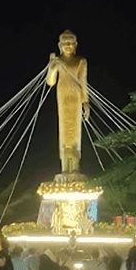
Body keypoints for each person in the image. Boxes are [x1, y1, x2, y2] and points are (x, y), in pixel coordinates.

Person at [45, 30, 90, 173]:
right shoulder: (57, 60)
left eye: (70, 43)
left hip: (76, 97)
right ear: (60, 45)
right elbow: (50, 82)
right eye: (65, 43)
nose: (68, 46)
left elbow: (83, 82)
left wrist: (86, 102)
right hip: (63, 96)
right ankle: (65, 168)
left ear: (75, 45)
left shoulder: (80, 61)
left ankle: (75, 168)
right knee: (64, 131)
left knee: (75, 131)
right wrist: (52, 68)